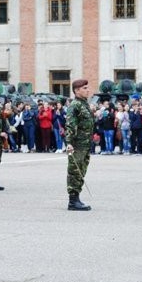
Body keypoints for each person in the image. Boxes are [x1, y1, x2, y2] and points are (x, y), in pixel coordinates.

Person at [64, 79, 94, 211]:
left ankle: (77, 198)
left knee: (81, 170)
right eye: (85, 88)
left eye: (87, 88)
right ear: (77, 91)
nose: (88, 90)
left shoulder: (84, 104)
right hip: (77, 145)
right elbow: (70, 124)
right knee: (75, 171)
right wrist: (69, 142)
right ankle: (73, 201)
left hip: (85, 144)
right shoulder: (75, 105)